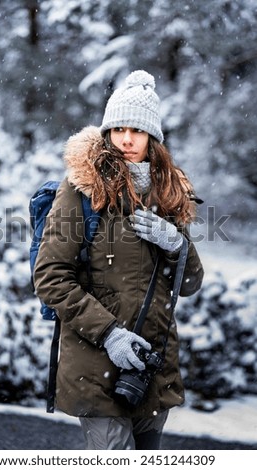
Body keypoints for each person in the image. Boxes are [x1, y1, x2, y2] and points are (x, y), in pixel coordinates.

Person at [34, 70, 204, 450]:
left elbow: (191, 284)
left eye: (138, 130)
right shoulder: (81, 190)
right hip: (96, 364)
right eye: (119, 128)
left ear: (153, 137)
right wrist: (109, 334)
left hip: (152, 367)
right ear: (107, 132)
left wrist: (176, 244)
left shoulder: (169, 194)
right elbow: (50, 276)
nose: (127, 139)